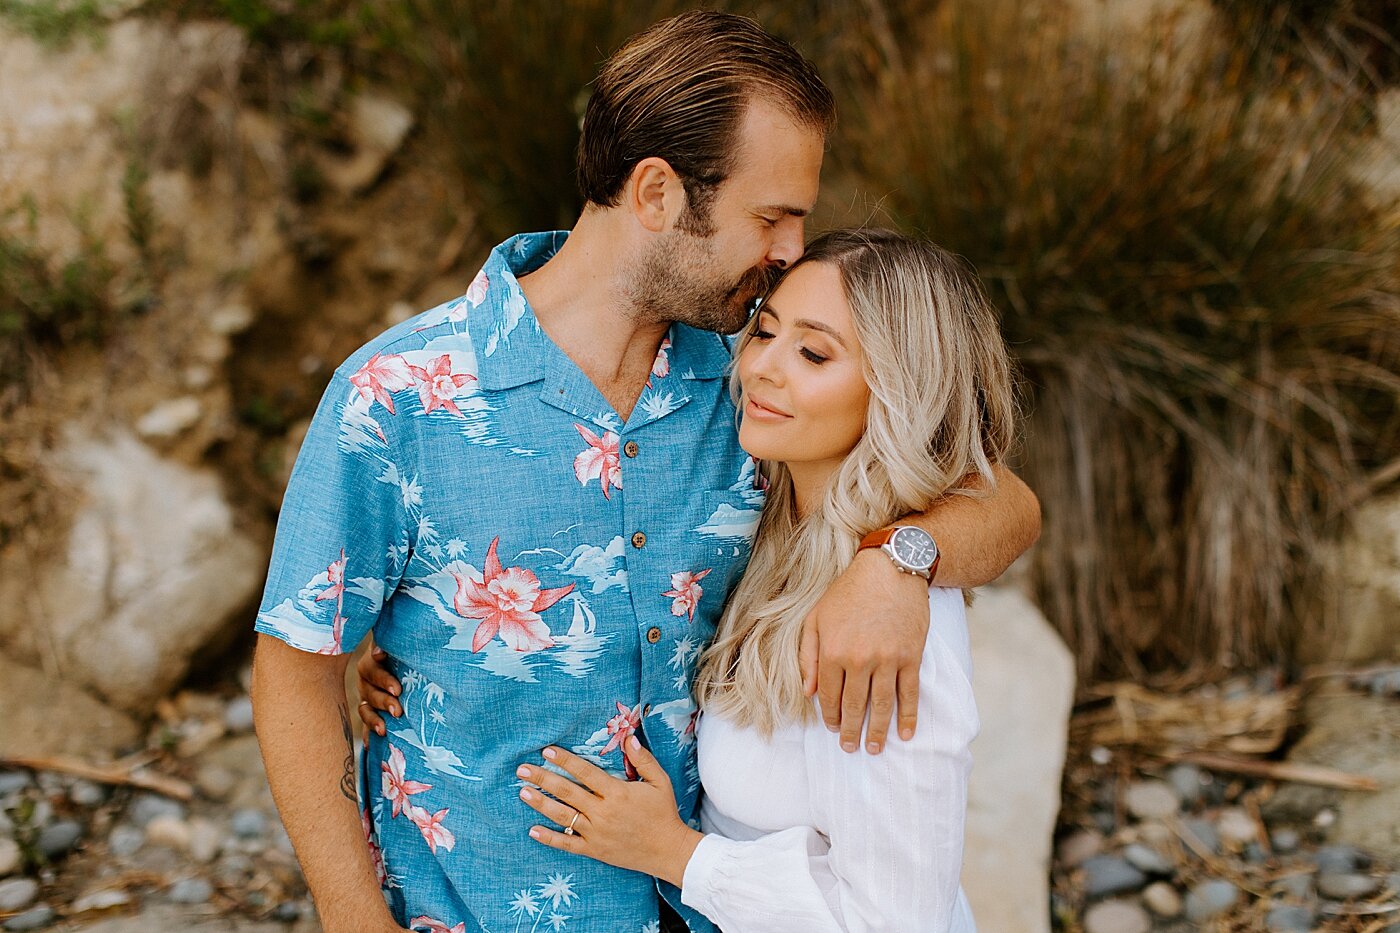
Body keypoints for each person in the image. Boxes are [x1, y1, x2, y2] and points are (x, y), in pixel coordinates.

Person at [252, 12, 1039, 933]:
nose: (790, 249)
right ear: (659, 193)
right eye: (771, 215)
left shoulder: (754, 378)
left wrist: (898, 562)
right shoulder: (399, 398)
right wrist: (355, 919)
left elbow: (1008, 504)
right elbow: (296, 669)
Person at [361, 228, 1002, 932]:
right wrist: (420, 635)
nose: (763, 369)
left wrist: (680, 856)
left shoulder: (885, 631)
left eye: (814, 352)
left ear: (902, 388)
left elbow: (897, 924)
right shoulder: (765, 519)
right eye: (765, 332)